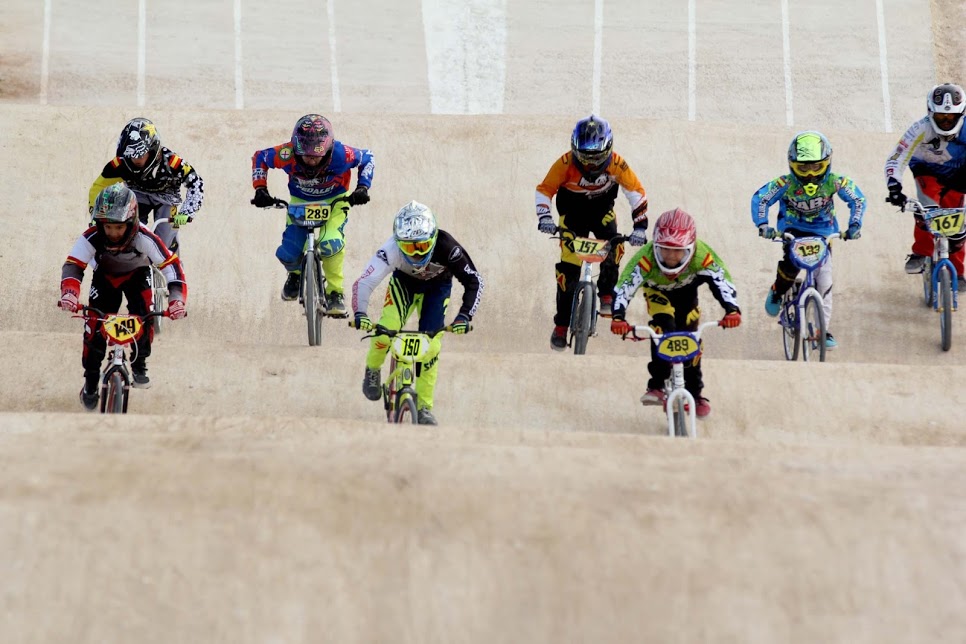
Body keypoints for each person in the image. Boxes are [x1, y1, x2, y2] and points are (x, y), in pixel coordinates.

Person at [350, 201, 484, 425]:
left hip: (437, 289)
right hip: (404, 285)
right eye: (409, 248)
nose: (416, 253)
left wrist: (464, 316)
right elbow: (365, 282)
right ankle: (372, 369)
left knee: (431, 347)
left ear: (432, 238)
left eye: (422, 246)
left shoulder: (448, 247)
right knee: (385, 331)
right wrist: (360, 313)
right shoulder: (390, 249)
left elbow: (474, 280)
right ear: (398, 242)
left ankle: (424, 408)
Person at [59, 183, 187, 411]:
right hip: (105, 278)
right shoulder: (92, 237)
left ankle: (140, 363)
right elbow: (73, 265)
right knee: (93, 330)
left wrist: (176, 299)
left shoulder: (144, 237)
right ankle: (90, 383)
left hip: (138, 275)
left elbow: (171, 267)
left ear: (131, 222)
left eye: (119, 227)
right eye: (107, 227)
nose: (113, 233)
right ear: (99, 223)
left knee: (145, 317)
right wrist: (70, 292)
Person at [610, 208, 740, 419]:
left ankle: (696, 394)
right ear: (655, 245)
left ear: (691, 248)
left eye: (678, 250)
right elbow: (624, 287)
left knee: (692, 342)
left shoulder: (702, 256)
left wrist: (732, 310)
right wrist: (618, 317)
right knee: (663, 330)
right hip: (657, 294)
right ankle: (656, 385)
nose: (670, 256)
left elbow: (722, 280)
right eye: (664, 250)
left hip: (687, 295)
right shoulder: (645, 259)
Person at [535, 114, 649, 351]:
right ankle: (561, 326)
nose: (590, 164)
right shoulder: (565, 163)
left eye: (596, 158)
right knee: (567, 274)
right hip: (571, 217)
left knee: (615, 243)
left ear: (608, 150)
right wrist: (544, 217)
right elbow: (544, 190)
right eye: (584, 157)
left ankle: (607, 294)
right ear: (574, 150)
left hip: (601, 213)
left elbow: (636, 193)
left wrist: (640, 227)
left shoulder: (618, 164)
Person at [752, 130, 866, 349]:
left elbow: (857, 199)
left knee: (824, 281)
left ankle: (823, 331)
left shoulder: (834, 182)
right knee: (791, 267)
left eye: (816, 166)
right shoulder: (785, 183)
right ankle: (778, 290)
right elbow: (761, 198)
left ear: (827, 162)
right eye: (803, 167)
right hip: (793, 230)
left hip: (824, 234)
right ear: (793, 164)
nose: (811, 173)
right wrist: (763, 225)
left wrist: (854, 225)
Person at [251, 114, 374, 316]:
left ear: (328, 150)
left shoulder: (342, 154)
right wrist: (260, 189)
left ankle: (335, 293)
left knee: (330, 243)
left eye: (316, 156)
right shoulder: (286, 153)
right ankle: (295, 275)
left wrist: (362, 187)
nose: (310, 161)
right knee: (287, 253)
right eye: (305, 155)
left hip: (335, 203)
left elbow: (368, 157)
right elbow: (260, 158)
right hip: (300, 202)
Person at [884, 83, 966, 289]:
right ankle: (921, 251)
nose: (946, 122)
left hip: (958, 176)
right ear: (930, 113)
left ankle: (957, 271)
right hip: (926, 171)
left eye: (951, 117)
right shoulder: (920, 128)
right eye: (940, 117)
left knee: (957, 225)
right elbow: (897, 157)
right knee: (926, 208)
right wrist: (894, 187)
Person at [89, 117, 204, 255]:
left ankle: (172, 257)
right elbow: (98, 187)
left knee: (164, 243)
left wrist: (187, 212)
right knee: (127, 236)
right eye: (131, 156)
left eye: (140, 155)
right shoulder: (120, 164)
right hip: (137, 194)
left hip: (167, 199)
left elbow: (196, 183)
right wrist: (95, 216)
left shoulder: (173, 162)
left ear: (153, 150)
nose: (135, 160)